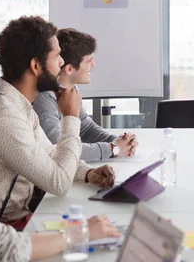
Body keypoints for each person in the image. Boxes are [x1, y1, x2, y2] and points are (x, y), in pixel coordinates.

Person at [0, 62, 120, 261]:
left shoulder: (19, 108)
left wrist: (87, 173)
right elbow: (9, 247)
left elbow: (48, 153)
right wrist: (82, 232)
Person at [0, 16, 115, 230]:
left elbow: (49, 154)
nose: (62, 62)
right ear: (35, 65)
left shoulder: (16, 105)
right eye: (57, 56)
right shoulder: (3, 115)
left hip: (14, 223)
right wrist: (70, 116)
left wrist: (88, 173)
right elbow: (58, 182)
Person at [33, 28, 138, 162]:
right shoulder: (44, 98)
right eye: (89, 61)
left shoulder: (69, 89)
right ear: (69, 69)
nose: (93, 65)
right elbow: (61, 150)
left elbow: (86, 129)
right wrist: (112, 149)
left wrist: (118, 141)